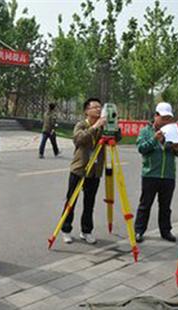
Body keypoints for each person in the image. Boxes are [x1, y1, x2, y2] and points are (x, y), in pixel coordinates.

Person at [134, 102, 178, 244]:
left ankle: (166, 231)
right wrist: (154, 139)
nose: (166, 121)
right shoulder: (146, 131)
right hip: (150, 174)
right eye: (163, 117)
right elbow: (141, 148)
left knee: (165, 206)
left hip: (168, 175)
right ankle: (139, 231)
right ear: (156, 116)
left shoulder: (173, 131)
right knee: (145, 204)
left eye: (169, 118)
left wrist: (177, 148)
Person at [61, 98, 107, 244]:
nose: (99, 110)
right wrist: (94, 127)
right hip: (79, 169)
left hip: (94, 171)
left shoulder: (103, 127)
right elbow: (78, 140)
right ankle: (66, 229)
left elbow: (117, 138)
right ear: (87, 110)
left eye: (100, 107)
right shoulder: (81, 125)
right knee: (71, 201)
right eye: (95, 107)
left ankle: (86, 231)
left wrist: (113, 125)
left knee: (89, 203)